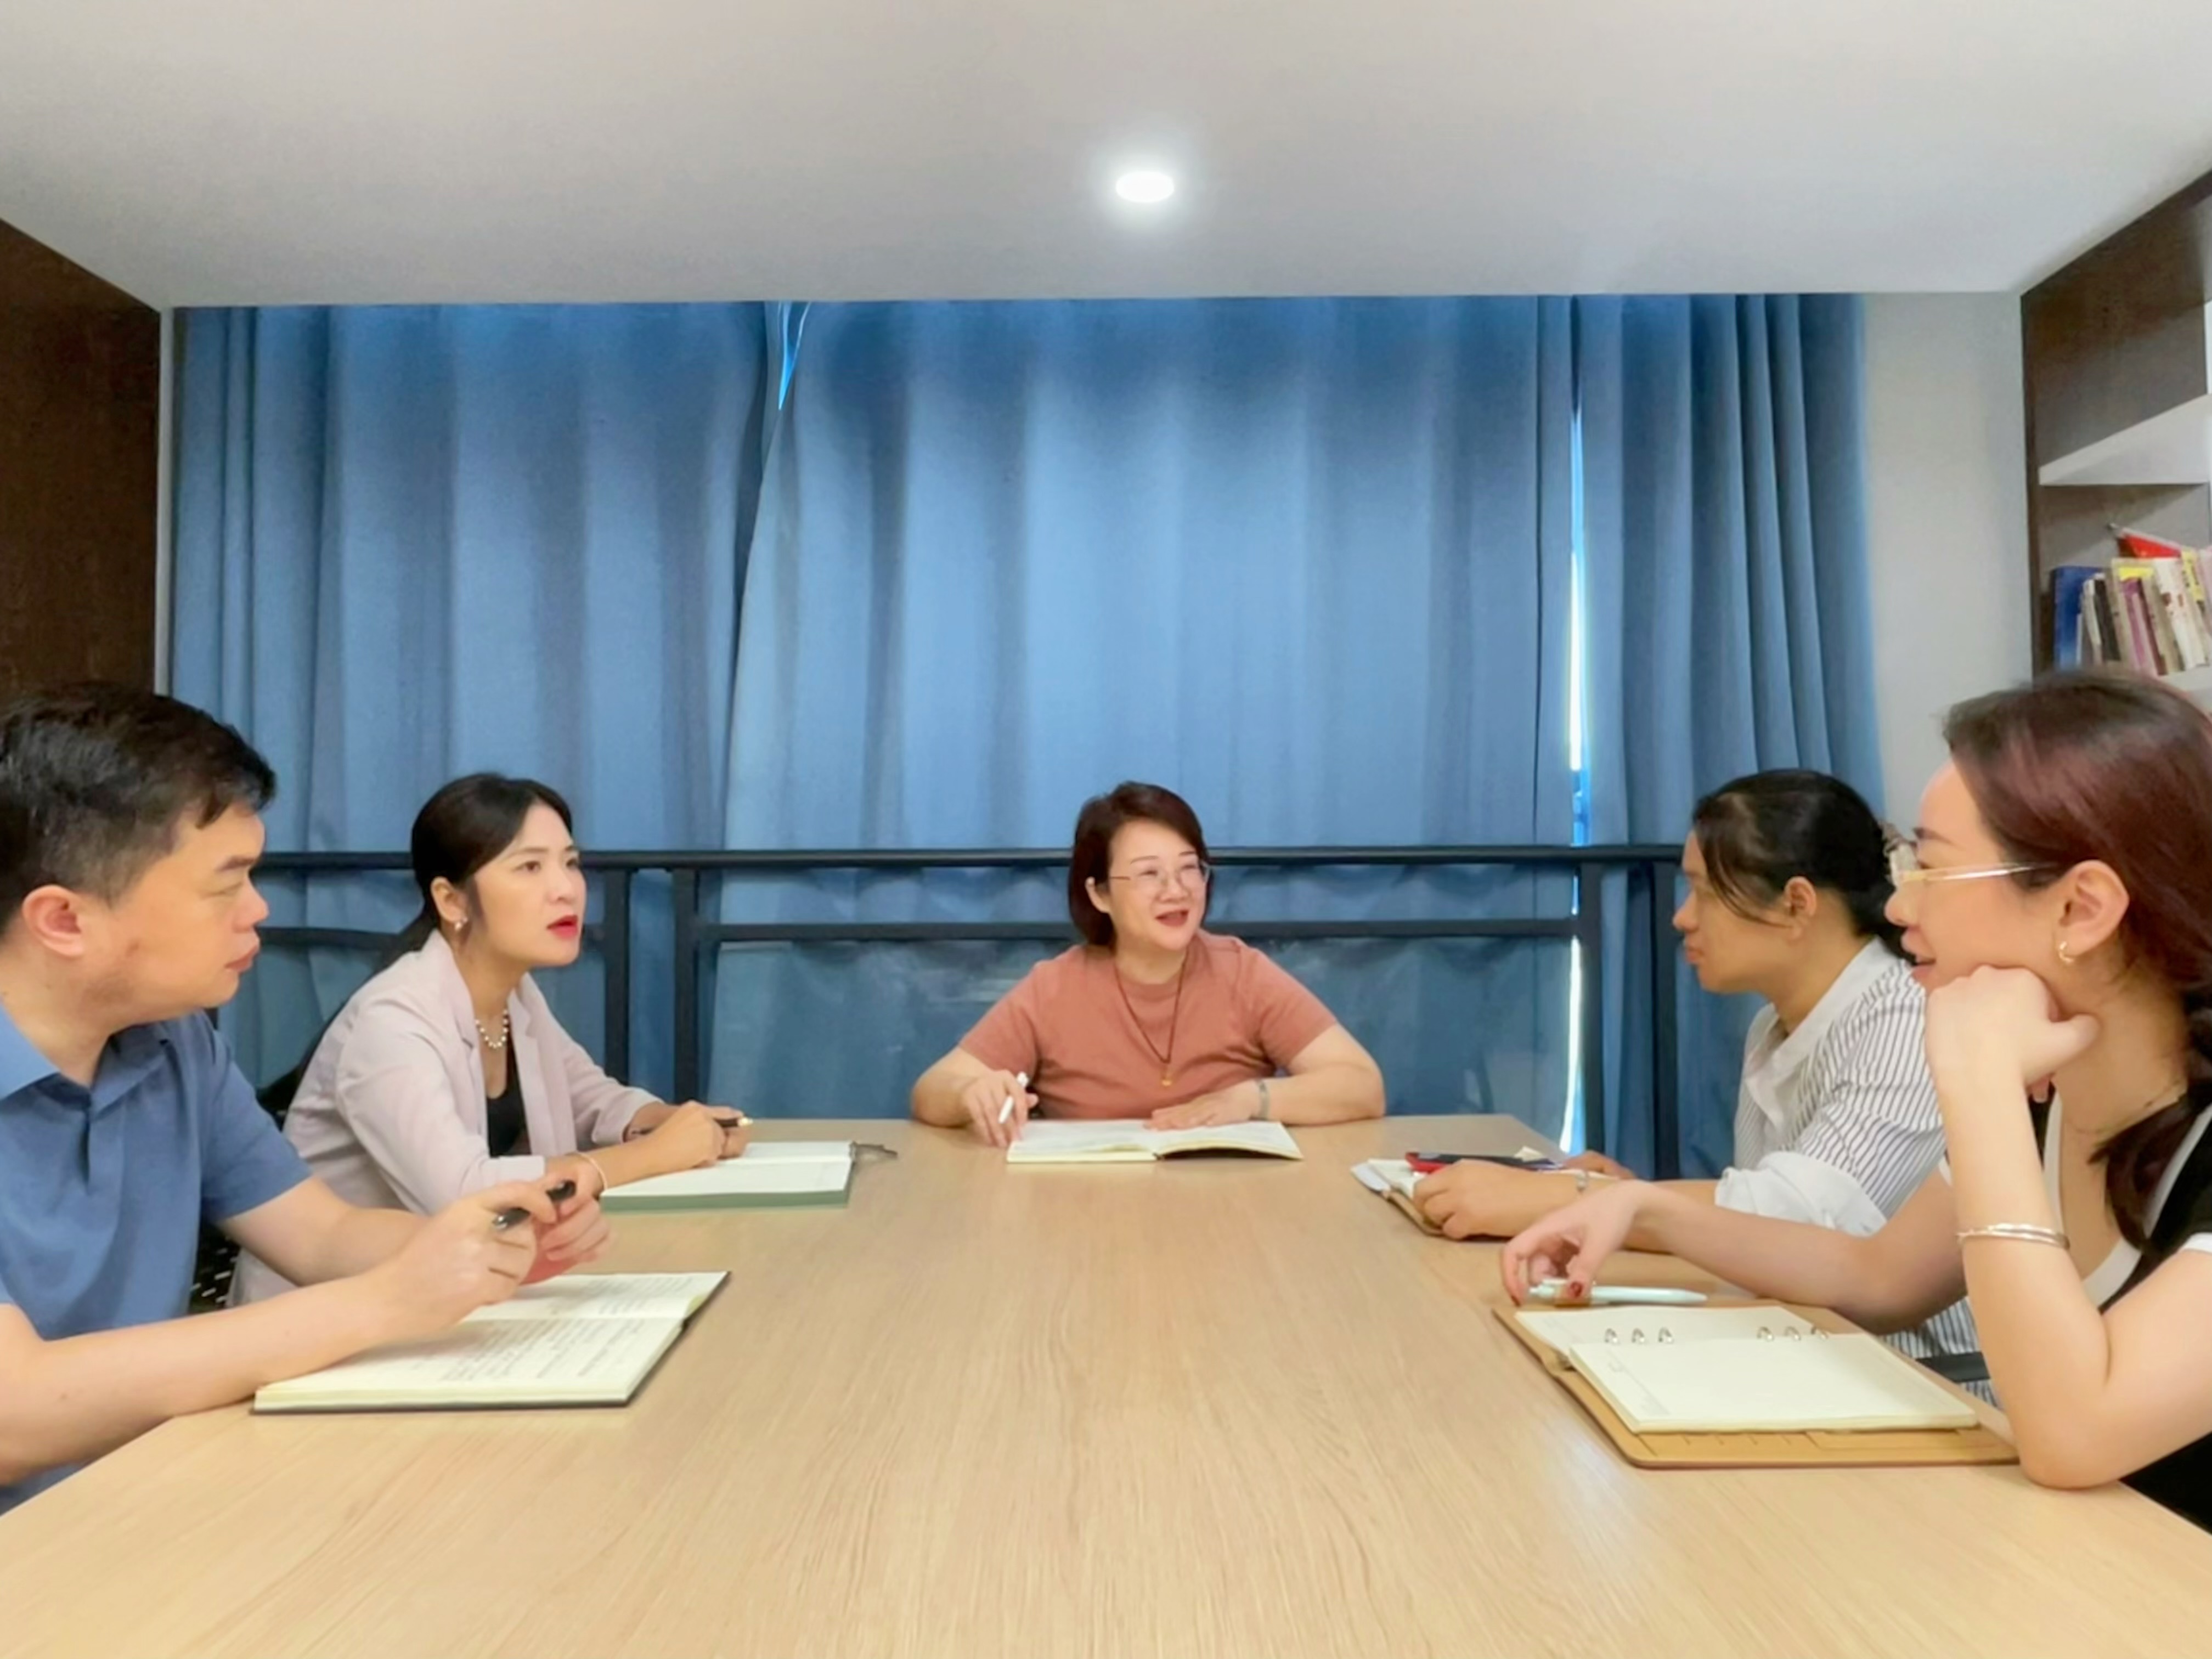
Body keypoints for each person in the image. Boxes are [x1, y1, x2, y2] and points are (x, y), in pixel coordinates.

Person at [1503, 673, 2212, 1528]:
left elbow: (2074, 1436)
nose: (1901, 905)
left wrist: (1981, 1087)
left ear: (2081, 908)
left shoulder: (2014, 1089)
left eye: (1932, 868)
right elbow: (1876, 1274)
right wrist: (1646, 1211)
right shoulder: (2051, 1095)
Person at [0, 687, 605, 1515]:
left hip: (145, 1494)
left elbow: (321, 1234)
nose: (259, 909)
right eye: (226, 885)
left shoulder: (174, 1043)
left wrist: (488, 1246)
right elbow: (15, 1410)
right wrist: (384, 1302)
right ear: (65, 921)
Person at [234, 775, 747, 1302]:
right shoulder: (391, 1020)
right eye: (530, 867)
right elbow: (461, 1194)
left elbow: (591, 1098)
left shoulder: (515, 995)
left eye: (570, 863)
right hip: (331, 1311)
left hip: (461, 1295)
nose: (566, 889)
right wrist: (651, 1156)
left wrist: (670, 1122)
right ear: (451, 900)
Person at [1416, 771, 1949, 1248]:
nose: (1682, 919)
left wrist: (1581, 1201)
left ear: (1796, 904)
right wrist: (1625, 1201)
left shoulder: (1905, 1020)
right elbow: (1762, 1224)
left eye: (1705, 893)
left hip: (1883, 1334)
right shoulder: (1771, 1026)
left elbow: (1807, 1219)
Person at [912, 782, 1385, 1144]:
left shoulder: (1244, 972)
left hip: (1226, 1208)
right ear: (1100, 894)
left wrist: (1250, 1100)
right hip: (1087, 1211)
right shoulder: (1056, 987)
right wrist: (970, 1094)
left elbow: (1362, 1085)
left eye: (1189, 868)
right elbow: (932, 1090)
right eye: (1149, 875)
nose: (1175, 891)